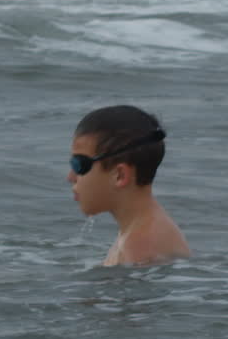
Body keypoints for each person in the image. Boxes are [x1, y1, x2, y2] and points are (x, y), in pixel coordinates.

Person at [66, 105, 190, 266]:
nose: (70, 177)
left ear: (120, 175)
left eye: (79, 165)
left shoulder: (140, 247)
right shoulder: (138, 232)